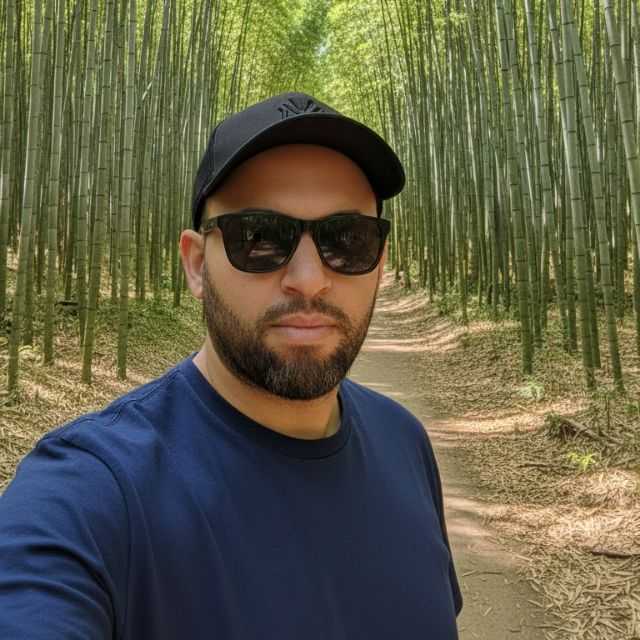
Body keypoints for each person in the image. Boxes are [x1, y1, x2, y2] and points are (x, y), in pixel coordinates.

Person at [0, 92, 462, 639]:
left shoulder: (404, 442)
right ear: (197, 265)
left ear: (380, 263)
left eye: (348, 240)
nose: (309, 279)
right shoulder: (91, 495)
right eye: (260, 238)